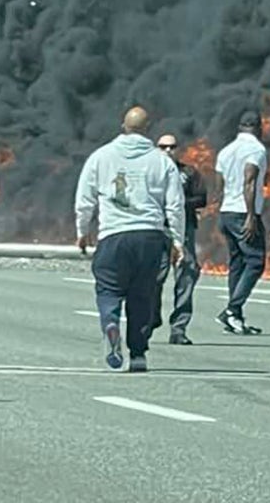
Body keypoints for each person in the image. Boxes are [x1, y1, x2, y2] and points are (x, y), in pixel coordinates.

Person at [75, 106, 184, 372]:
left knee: (109, 289)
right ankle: (138, 354)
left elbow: (85, 199)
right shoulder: (162, 161)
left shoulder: (101, 157)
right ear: (148, 129)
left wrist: (82, 230)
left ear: (123, 126)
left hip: (114, 234)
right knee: (142, 296)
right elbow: (175, 205)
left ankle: (111, 323)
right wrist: (178, 241)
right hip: (150, 236)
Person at [214, 108, 269, 335]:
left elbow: (219, 184)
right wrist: (250, 216)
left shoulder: (225, 151)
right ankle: (232, 308)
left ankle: (234, 317)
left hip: (227, 211)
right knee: (256, 261)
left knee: (237, 262)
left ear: (239, 127)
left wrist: (221, 208)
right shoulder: (255, 149)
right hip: (242, 213)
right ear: (259, 127)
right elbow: (249, 181)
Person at [153, 133, 208, 344]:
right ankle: (152, 316)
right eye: (163, 147)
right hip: (157, 230)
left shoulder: (188, 173)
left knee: (186, 276)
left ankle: (179, 328)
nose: (168, 151)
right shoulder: (150, 172)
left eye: (172, 147)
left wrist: (177, 203)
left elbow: (201, 198)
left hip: (184, 231)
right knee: (154, 278)